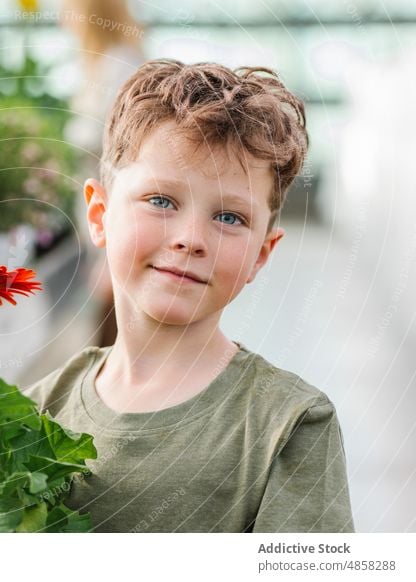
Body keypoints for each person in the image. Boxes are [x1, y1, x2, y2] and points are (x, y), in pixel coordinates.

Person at [24, 59, 354, 533]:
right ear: (98, 215)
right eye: (161, 201)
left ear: (261, 255)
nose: (191, 238)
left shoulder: (290, 425)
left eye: (230, 218)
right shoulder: (33, 411)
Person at [60, 0, 146, 347]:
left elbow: (126, 154)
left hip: (115, 209)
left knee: (112, 311)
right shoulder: (102, 64)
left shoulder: (119, 66)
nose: (62, 18)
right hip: (102, 210)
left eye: (67, 8)